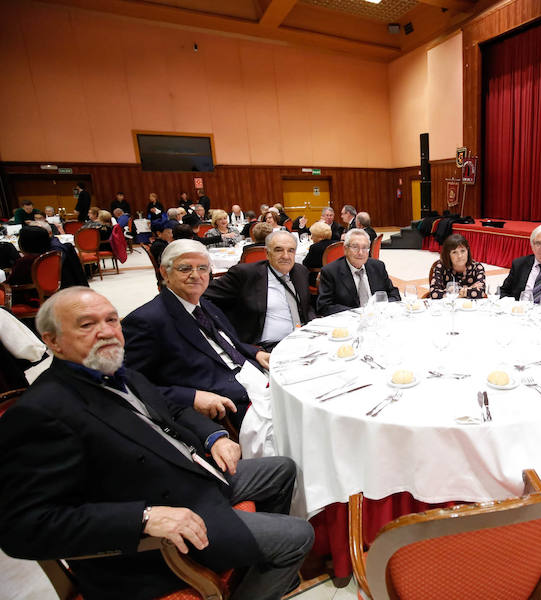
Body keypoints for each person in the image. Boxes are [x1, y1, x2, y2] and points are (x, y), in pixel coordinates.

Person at [0, 287, 314, 600]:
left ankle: (261, 569)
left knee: (283, 469)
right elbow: (22, 528)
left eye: (112, 319)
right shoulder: (43, 411)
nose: (107, 331)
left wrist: (214, 435)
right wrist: (145, 518)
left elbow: (170, 408)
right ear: (51, 340)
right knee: (299, 536)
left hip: (193, 476)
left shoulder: (117, 372)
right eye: (87, 324)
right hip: (163, 531)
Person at [122, 240, 271, 428]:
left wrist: (255, 352)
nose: (196, 275)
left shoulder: (204, 304)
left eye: (202, 268)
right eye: (185, 269)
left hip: (258, 379)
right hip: (232, 405)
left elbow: (227, 343)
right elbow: (131, 385)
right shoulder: (146, 321)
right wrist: (191, 397)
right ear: (164, 273)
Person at [205, 231, 315, 350]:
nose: (286, 256)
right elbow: (203, 296)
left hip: (304, 340)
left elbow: (305, 306)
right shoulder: (245, 275)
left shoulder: (300, 271)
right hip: (265, 348)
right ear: (267, 254)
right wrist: (223, 328)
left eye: (291, 250)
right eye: (278, 250)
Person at [317, 229, 400, 316]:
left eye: (364, 248)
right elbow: (324, 306)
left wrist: (378, 307)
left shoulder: (378, 266)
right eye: (355, 247)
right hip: (348, 322)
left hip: (378, 318)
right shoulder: (330, 271)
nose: (360, 253)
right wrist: (358, 313)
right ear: (345, 249)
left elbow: (394, 294)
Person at [428, 234, 486, 299]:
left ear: (468, 251)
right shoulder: (440, 267)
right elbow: (434, 294)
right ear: (448, 254)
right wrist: (469, 289)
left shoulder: (477, 267)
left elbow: (481, 293)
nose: (460, 256)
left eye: (463, 251)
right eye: (454, 252)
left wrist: (451, 292)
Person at [302, 221, 336, 286]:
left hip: (319, 279)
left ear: (319, 236)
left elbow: (306, 264)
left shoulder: (314, 247)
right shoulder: (337, 244)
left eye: (312, 235)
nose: (311, 238)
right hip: (336, 277)